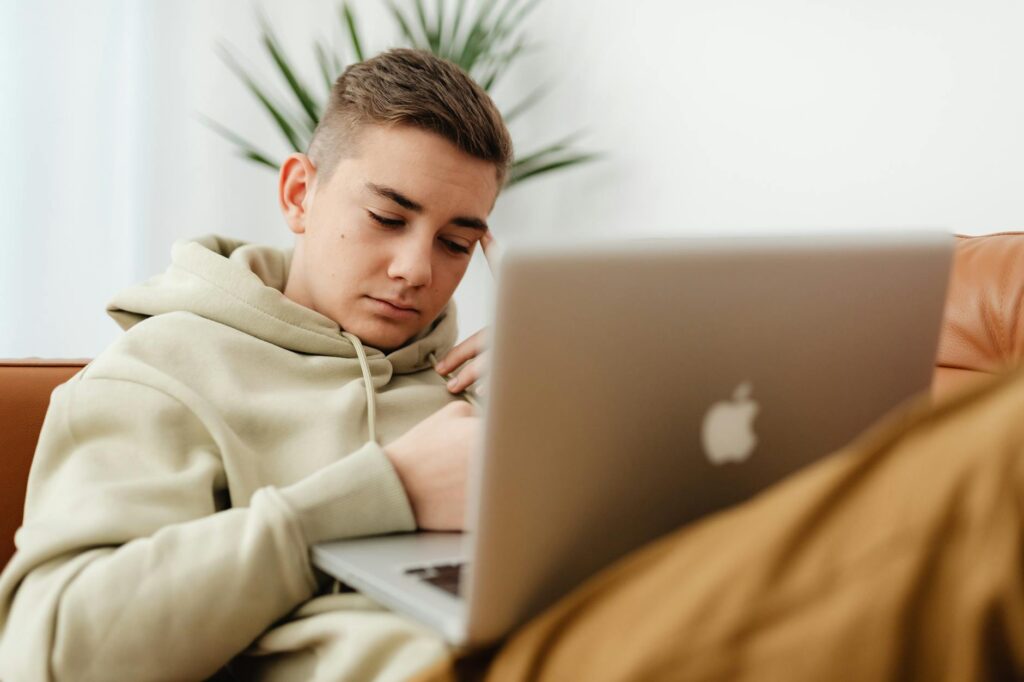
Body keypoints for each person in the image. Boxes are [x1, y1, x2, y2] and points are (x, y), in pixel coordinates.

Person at [0, 48, 507, 681]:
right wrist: (385, 491)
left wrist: (577, 411)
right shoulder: (162, 370)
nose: (417, 270)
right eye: (387, 217)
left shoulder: (483, 390)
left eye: (456, 244)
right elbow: (52, 655)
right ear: (299, 194)